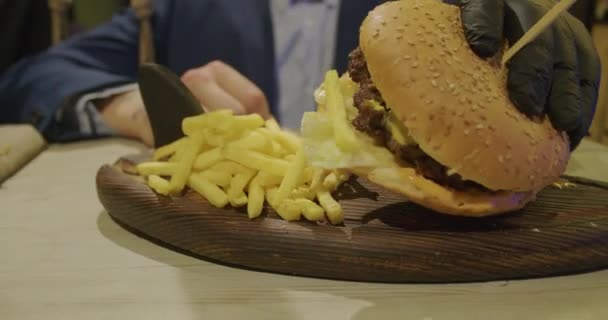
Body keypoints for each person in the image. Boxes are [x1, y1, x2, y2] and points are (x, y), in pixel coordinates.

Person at [0, 0, 601, 151]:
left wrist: (538, 33)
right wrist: (136, 107)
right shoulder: (181, 7)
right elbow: (35, 76)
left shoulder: (427, 10)